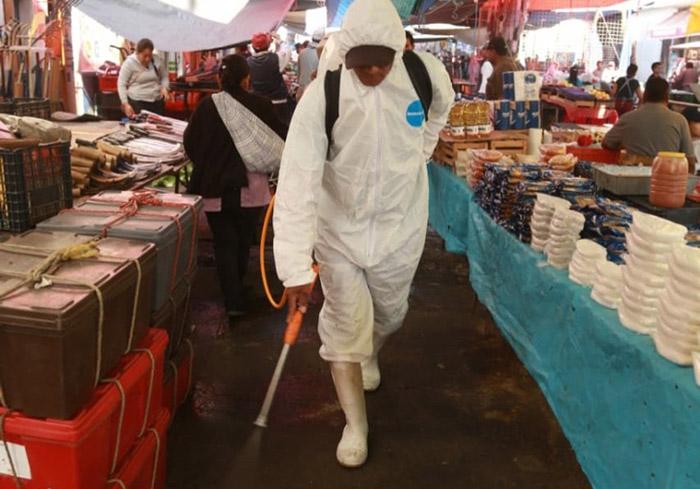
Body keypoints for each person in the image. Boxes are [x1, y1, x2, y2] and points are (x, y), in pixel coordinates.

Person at [273, 0, 453, 468]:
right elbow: (297, 181)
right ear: (344, 51)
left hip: (400, 225)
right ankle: (356, 423)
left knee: (390, 314)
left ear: (398, 49)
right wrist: (294, 268)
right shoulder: (323, 95)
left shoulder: (425, 76)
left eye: (382, 61)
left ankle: (370, 349)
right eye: (362, 63)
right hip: (341, 233)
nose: (372, 71)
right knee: (342, 328)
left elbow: (440, 113)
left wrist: (421, 152)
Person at [184, 55, 287, 319]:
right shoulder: (261, 105)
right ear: (246, 79)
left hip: (215, 189)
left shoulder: (206, 107)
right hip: (251, 190)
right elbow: (281, 137)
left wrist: (210, 167)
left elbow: (191, 144)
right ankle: (238, 290)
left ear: (219, 79)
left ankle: (233, 300)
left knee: (224, 244)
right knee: (242, 241)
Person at [603, 77, 695, 168]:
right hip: (666, 179)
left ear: (645, 95)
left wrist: (625, 146)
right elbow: (690, 162)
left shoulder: (627, 118)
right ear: (667, 97)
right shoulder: (679, 120)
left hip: (631, 178)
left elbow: (606, 144)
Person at [118, 38, 170, 117]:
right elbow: (121, 84)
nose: (148, 59)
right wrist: (125, 104)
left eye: (150, 55)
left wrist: (164, 87)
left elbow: (164, 77)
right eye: (144, 56)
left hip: (157, 101)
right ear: (137, 53)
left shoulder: (157, 60)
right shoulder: (129, 63)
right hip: (138, 102)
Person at [248, 32, 292, 124]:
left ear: (252, 46)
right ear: (268, 45)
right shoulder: (277, 58)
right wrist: (279, 40)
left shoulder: (248, 62)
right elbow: (287, 51)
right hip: (278, 102)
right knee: (280, 131)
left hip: (259, 103)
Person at [298, 30, 322, 97]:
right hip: (313, 91)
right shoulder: (321, 54)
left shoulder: (302, 52)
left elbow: (298, 72)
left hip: (301, 88)